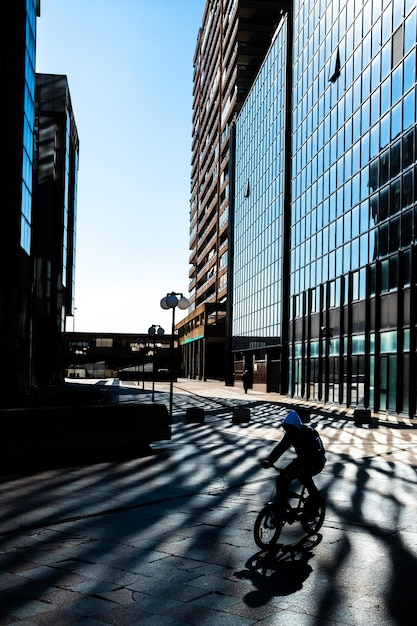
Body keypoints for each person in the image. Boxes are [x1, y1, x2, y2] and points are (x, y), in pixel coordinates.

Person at [260, 410, 326, 502]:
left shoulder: (309, 433)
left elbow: (316, 451)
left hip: (316, 462)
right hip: (301, 460)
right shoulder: (290, 434)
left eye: (290, 429)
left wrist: (305, 464)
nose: (288, 432)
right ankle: (281, 503)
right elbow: (281, 447)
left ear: (296, 427)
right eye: (286, 429)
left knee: (304, 476)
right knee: (282, 477)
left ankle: (315, 498)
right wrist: (270, 460)